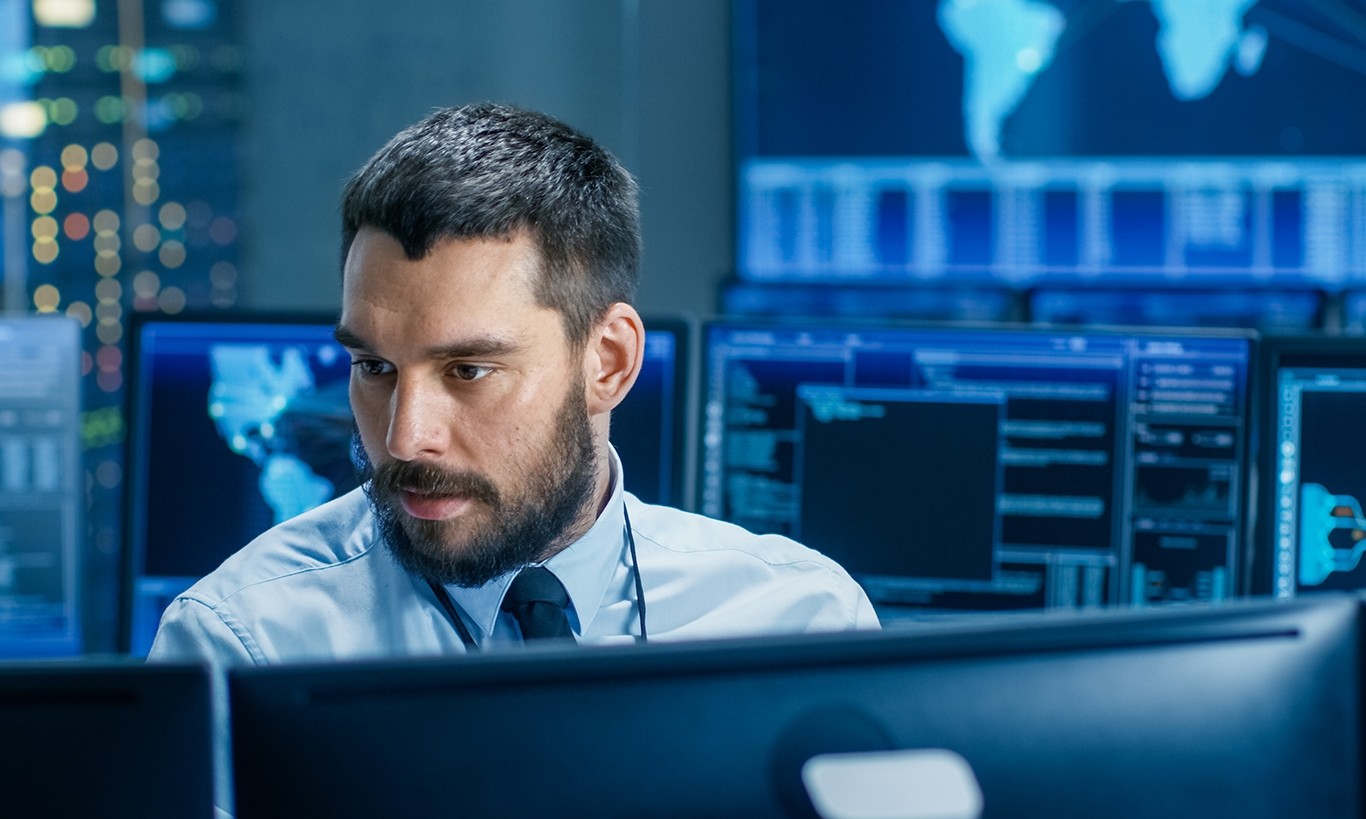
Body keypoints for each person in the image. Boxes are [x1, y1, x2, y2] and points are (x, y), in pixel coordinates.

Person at [148, 102, 878, 667]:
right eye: (375, 368)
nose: (405, 436)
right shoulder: (243, 646)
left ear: (610, 362)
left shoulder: (800, 621)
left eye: (468, 370)